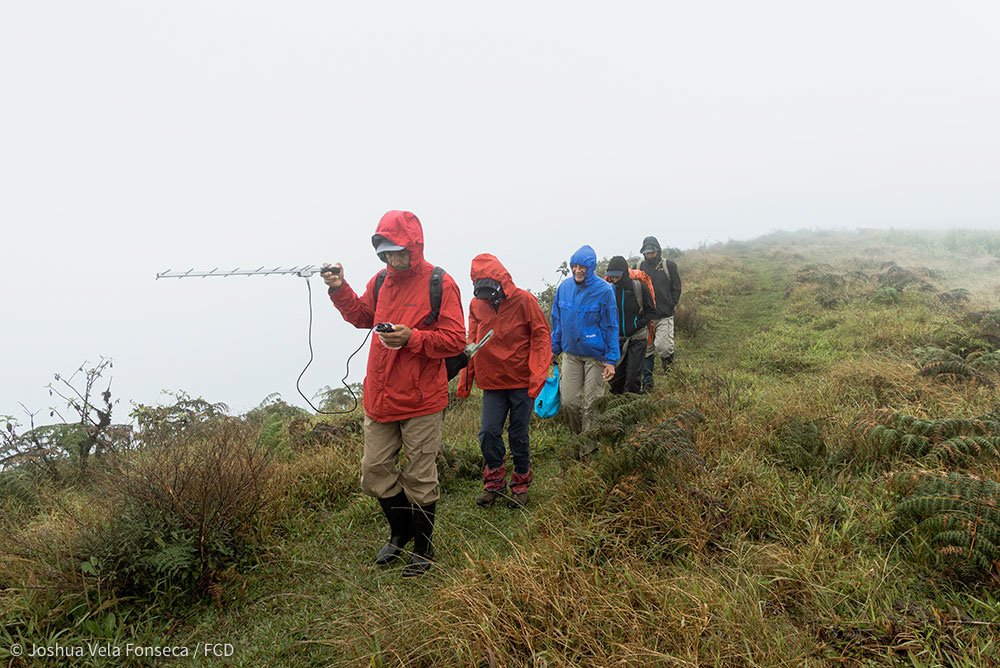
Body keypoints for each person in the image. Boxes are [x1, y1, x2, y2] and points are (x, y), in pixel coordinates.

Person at [322, 210, 465, 577]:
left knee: (419, 476)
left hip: (422, 399)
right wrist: (339, 288)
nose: (391, 258)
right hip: (381, 395)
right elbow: (361, 315)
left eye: (397, 251)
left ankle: (423, 548)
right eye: (384, 252)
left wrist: (412, 338)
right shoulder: (381, 281)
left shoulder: (440, 283)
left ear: (414, 247)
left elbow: (454, 340)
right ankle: (400, 532)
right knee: (375, 471)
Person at [456, 254, 551, 509]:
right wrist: (466, 378)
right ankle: (494, 482)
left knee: (518, 434)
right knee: (488, 432)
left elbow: (541, 337)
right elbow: (472, 341)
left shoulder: (525, 301)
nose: (487, 299)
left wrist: (538, 375)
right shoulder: (476, 305)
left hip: (521, 380)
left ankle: (520, 484)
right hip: (492, 381)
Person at [550, 245, 619, 435]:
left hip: (595, 356)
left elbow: (612, 326)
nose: (578, 271)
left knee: (592, 404)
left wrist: (611, 360)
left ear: (591, 268)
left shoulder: (604, 291)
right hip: (571, 354)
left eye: (583, 267)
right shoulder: (564, 288)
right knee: (568, 402)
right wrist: (553, 349)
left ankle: (588, 448)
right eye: (575, 266)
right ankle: (577, 438)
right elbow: (558, 322)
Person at [604, 256, 655, 394]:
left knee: (633, 377)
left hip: (637, 339)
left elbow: (651, 312)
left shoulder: (639, 288)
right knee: (616, 381)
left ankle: (634, 408)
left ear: (624, 273)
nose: (614, 279)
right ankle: (618, 409)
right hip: (616, 340)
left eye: (617, 276)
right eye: (611, 276)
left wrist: (637, 324)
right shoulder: (609, 291)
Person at [638, 236, 682, 390]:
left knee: (663, 347)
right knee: (646, 350)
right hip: (647, 317)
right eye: (647, 252)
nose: (649, 255)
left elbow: (676, 287)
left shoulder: (668, 265)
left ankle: (670, 371)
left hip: (664, 314)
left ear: (657, 250)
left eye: (652, 252)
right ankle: (647, 382)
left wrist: (672, 304)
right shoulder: (640, 267)